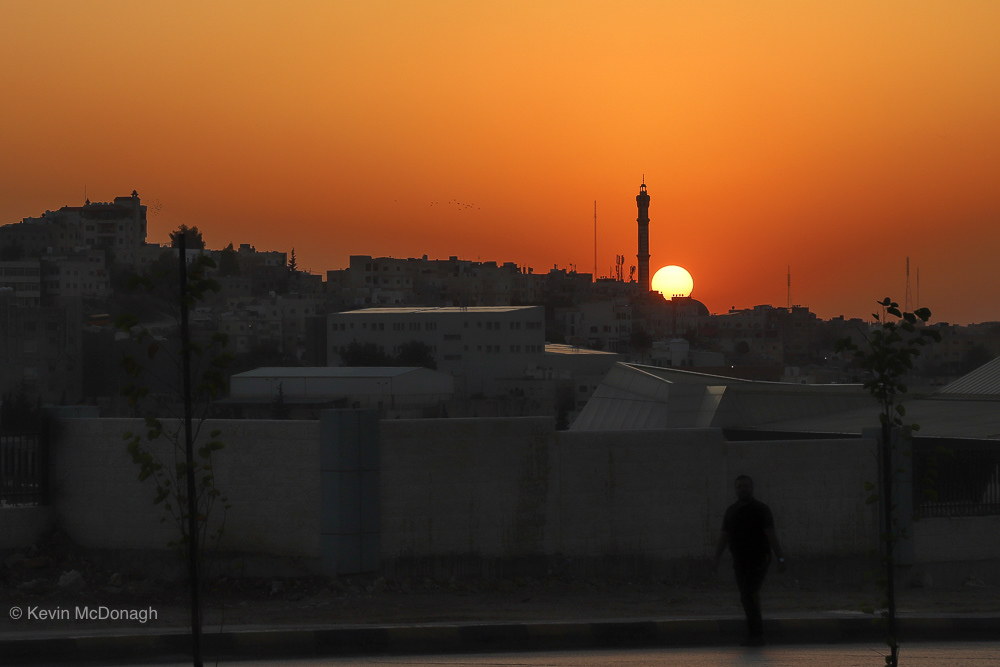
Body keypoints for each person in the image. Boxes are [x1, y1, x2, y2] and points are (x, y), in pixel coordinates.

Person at [713, 474, 786, 646]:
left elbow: (771, 535)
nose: (742, 489)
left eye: (745, 486)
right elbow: (724, 536)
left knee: (749, 594)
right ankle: (754, 634)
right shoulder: (731, 511)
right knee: (746, 596)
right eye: (739, 486)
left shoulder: (761, 509)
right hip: (740, 561)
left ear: (751, 488)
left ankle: (757, 635)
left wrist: (780, 558)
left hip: (759, 559)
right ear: (735, 489)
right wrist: (716, 557)